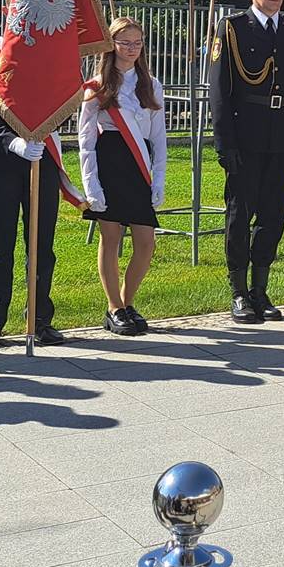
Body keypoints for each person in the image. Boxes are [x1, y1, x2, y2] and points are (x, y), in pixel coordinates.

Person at [211, 0, 284, 325]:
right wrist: (225, 142)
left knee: (272, 217)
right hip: (246, 134)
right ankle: (238, 291)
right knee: (240, 216)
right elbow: (221, 91)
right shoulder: (232, 28)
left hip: (282, 135)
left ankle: (260, 290)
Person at [0, 31, 64, 349]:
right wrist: (13, 141)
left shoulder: (50, 53)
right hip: (0, 163)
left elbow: (65, 98)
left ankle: (39, 319)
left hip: (42, 160)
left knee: (42, 246)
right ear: (6, 8)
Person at [80, 17, 168, 336]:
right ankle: (114, 306)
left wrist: (158, 179)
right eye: (125, 42)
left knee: (146, 242)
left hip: (139, 163)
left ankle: (128, 303)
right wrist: (92, 185)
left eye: (137, 43)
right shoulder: (96, 86)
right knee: (112, 237)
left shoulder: (151, 84)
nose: (132, 49)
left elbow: (158, 137)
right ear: (111, 45)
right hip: (110, 161)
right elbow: (86, 138)